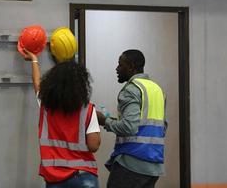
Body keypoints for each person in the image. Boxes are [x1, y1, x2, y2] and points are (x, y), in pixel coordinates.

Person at [22, 49, 101, 188]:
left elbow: (37, 83)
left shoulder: (46, 106)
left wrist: (34, 60)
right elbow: (93, 146)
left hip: (55, 178)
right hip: (84, 176)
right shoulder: (88, 110)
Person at [96, 49, 167, 188]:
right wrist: (116, 121)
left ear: (131, 66)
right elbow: (159, 127)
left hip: (132, 163)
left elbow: (130, 127)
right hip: (153, 167)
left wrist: (104, 121)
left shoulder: (132, 89)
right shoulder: (157, 90)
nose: (117, 69)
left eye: (120, 65)